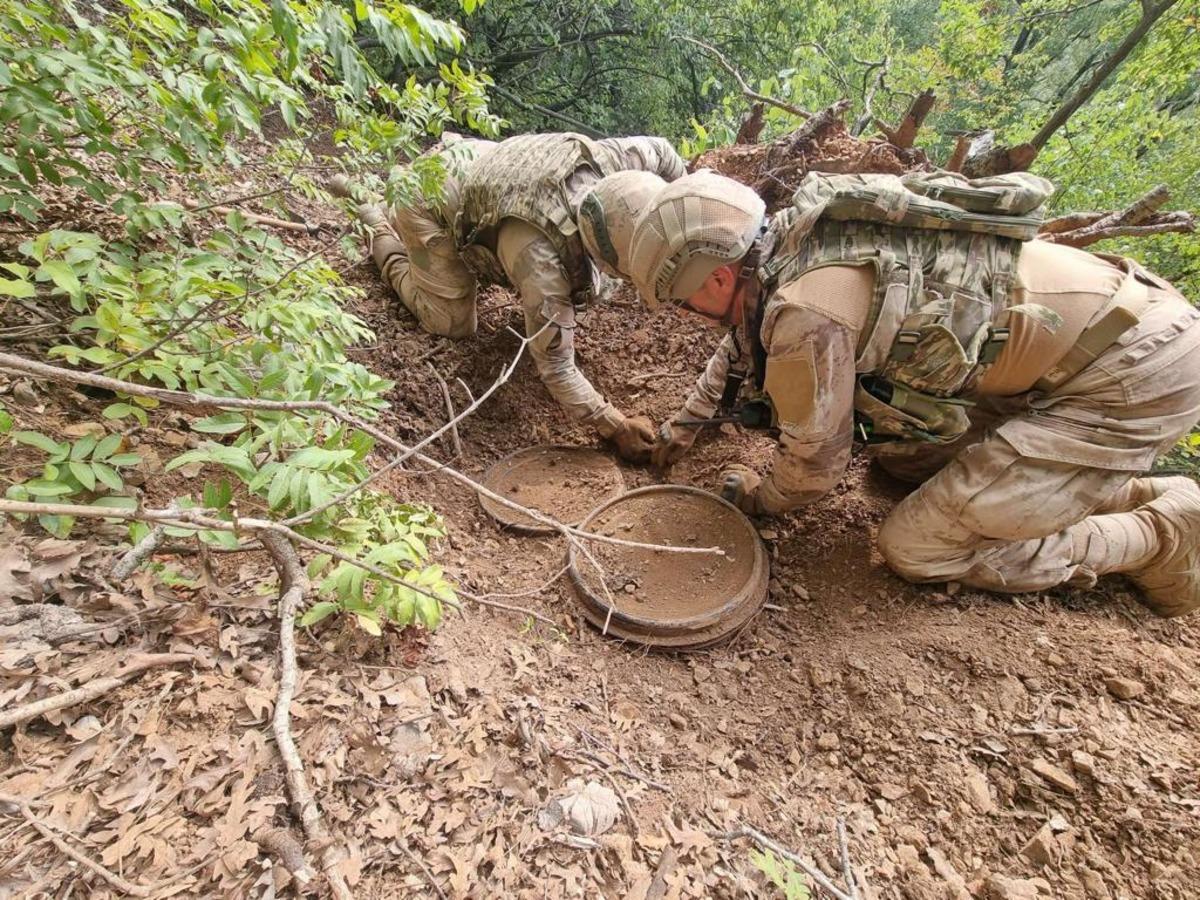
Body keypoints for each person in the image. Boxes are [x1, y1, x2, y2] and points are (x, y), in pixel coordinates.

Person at [628, 169, 1200, 617]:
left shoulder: (805, 313)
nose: (687, 314)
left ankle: (1160, 535)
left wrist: (759, 499)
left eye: (683, 301)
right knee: (904, 464)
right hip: (1094, 334)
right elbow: (738, 346)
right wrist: (683, 426)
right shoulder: (793, 238)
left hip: (1129, 371)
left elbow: (815, 468)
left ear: (719, 277)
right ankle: (1123, 491)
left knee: (917, 548)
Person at [334, 132, 686, 461]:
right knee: (449, 323)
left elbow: (665, 152)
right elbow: (556, 367)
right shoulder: (542, 264)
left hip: (473, 162)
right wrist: (616, 425)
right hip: (429, 198)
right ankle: (376, 219)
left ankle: (389, 201)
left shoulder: (620, 161)